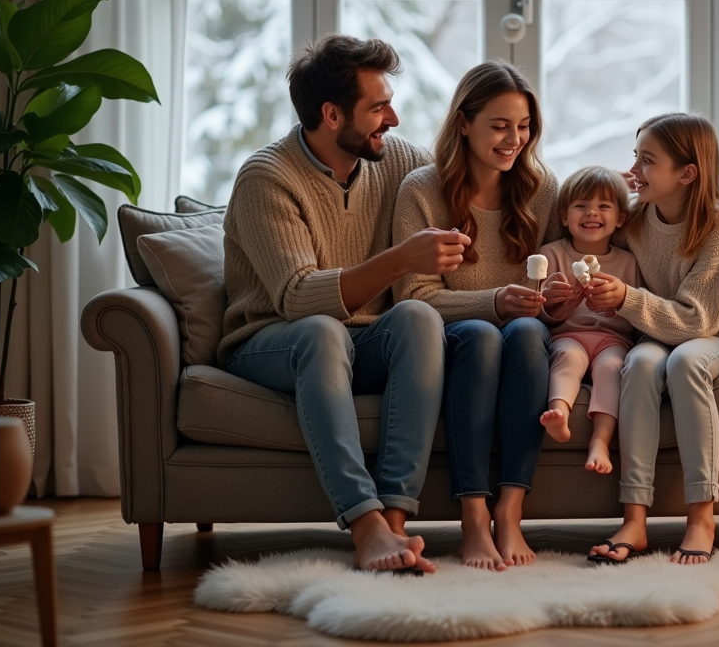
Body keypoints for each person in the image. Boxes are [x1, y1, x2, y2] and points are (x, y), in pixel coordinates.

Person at [218, 34, 471, 573]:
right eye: (378, 108)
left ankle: (395, 526)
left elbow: (468, 184)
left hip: (364, 338)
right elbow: (298, 298)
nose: (395, 119)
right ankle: (363, 523)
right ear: (332, 115)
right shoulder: (268, 178)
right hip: (271, 342)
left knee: (419, 317)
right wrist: (401, 258)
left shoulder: (397, 159)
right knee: (321, 330)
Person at [393, 59, 560, 571]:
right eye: (501, 125)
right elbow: (413, 295)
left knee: (529, 329)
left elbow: (563, 266)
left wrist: (557, 295)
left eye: (525, 126)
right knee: (484, 334)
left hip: (526, 337)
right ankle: (472, 517)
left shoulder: (542, 189)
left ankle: (509, 511)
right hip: (452, 338)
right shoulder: (422, 190)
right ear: (463, 122)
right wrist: (493, 302)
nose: (515, 139)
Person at [584, 113, 719, 566]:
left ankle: (701, 516)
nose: (636, 170)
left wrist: (627, 298)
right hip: (657, 335)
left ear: (687, 173)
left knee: (686, 363)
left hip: (716, 334)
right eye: (634, 159)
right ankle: (634, 518)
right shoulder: (638, 217)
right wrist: (616, 192)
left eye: (647, 161)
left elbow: (697, 322)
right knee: (639, 364)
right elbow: (588, 216)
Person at [536, 166, 640, 474]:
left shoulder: (628, 261)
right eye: (581, 206)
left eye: (603, 206)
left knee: (611, 368)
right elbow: (541, 312)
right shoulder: (551, 255)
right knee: (568, 356)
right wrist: (557, 304)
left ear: (620, 219)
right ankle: (558, 415)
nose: (591, 213)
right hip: (569, 335)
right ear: (565, 216)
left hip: (613, 340)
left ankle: (601, 440)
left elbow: (635, 313)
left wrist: (614, 306)